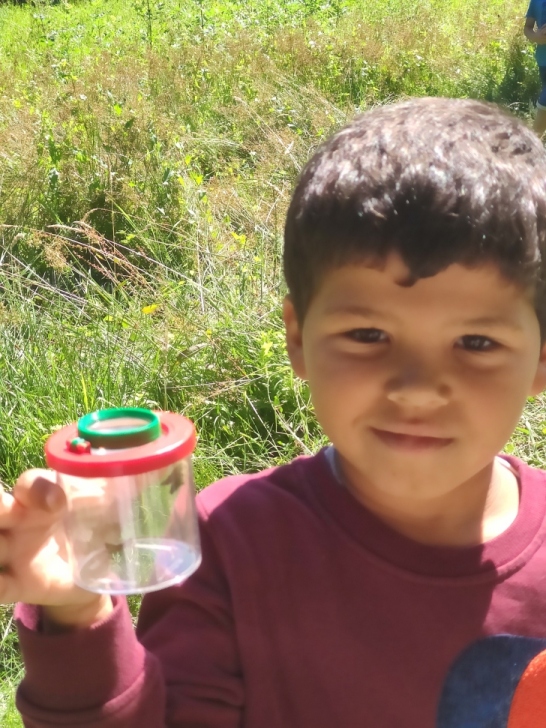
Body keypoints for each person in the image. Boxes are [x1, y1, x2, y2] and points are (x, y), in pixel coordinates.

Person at [4, 96, 546, 728]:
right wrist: (79, 615)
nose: (418, 390)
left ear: (540, 360)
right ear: (297, 340)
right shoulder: (232, 549)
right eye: (368, 335)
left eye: (476, 343)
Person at [525, 0, 546, 137]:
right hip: (544, 61)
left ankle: (530, 143)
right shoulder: (536, 1)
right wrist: (536, 37)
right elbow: (527, 28)